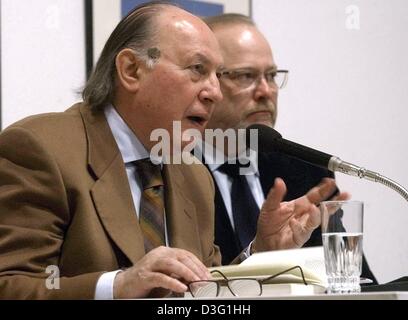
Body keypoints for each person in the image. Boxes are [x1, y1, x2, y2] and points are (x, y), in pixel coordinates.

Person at [0, 3, 345, 299]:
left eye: (216, 75)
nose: (214, 93)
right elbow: (10, 285)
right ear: (132, 69)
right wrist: (116, 287)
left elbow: (202, 291)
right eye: (198, 70)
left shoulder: (193, 175)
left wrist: (260, 255)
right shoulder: (40, 149)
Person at [201, 13, 376, 282]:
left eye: (271, 76)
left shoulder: (308, 172)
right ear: (206, 83)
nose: (265, 91)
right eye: (246, 76)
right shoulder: (170, 172)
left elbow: (355, 283)